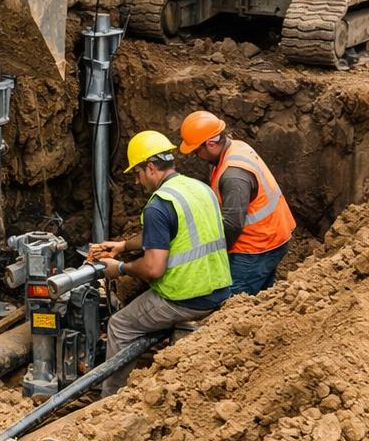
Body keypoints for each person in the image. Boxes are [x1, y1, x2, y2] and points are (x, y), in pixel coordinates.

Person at [88, 130, 231, 397]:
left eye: (138, 173)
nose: (138, 180)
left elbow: (153, 268)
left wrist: (119, 268)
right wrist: (122, 246)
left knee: (120, 325)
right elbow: (168, 232)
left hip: (185, 297)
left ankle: (109, 401)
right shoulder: (198, 188)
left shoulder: (157, 206)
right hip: (218, 287)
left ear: (151, 167)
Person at [178, 110, 295, 296]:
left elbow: (232, 224)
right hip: (271, 237)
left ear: (211, 144)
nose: (195, 155)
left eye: (196, 150)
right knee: (259, 298)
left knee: (228, 300)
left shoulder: (234, 175)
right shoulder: (236, 147)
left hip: (257, 247)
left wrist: (212, 254)